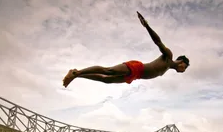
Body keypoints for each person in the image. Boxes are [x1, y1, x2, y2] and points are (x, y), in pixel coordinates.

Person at [62, 11, 190, 87]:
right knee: (109, 71)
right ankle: (76, 72)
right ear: (182, 62)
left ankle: (76, 75)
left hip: (136, 76)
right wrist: (147, 27)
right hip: (137, 67)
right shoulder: (168, 56)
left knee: (107, 80)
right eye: (186, 67)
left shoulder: (167, 68)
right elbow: (158, 42)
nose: (184, 71)